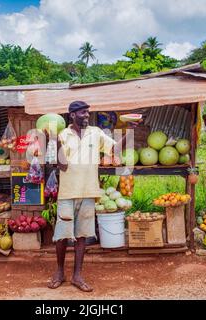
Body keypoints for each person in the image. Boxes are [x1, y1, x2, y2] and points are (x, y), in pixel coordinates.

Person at [47, 101, 138, 292]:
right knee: (62, 236)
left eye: (88, 112)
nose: (87, 115)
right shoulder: (63, 135)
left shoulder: (95, 133)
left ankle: (77, 275)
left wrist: (129, 131)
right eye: (82, 112)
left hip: (89, 192)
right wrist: (54, 142)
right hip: (67, 193)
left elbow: (115, 150)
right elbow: (62, 166)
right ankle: (59, 272)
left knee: (82, 236)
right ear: (72, 115)